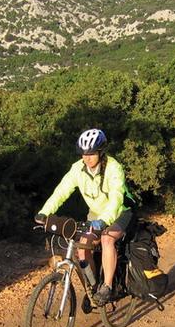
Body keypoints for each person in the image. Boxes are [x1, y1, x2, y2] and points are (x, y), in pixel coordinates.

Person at [34, 128, 132, 305]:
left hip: (120, 212)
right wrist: (44, 212)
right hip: (95, 214)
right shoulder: (78, 169)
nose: (86, 158)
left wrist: (104, 221)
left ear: (101, 152)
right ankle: (94, 289)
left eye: (91, 154)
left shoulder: (114, 168)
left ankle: (107, 287)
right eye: (83, 154)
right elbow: (61, 191)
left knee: (107, 239)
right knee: (82, 247)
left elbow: (117, 197)